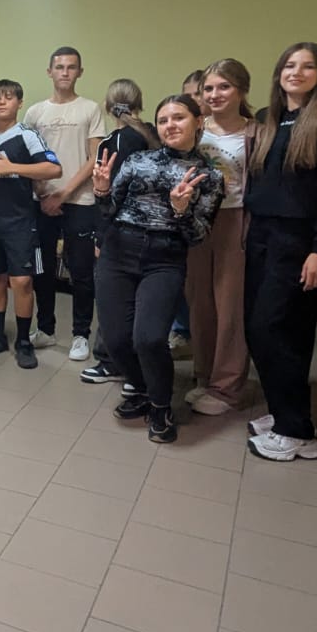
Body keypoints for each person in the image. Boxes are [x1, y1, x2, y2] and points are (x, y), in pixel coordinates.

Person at [92, 95, 223, 443]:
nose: (170, 126)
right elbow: (109, 210)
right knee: (117, 340)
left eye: (179, 117)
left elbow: (199, 235)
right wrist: (102, 191)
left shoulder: (208, 176)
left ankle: (161, 406)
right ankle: (141, 388)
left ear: (198, 121)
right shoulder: (138, 160)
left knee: (148, 338)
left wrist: (180, 209)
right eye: (163, 120)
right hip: (119, 251)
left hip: (164, 258)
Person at [244, 42, 317, 462]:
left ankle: (296, 431)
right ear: (278, 73)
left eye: (307, 67)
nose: (296, 72)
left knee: (277, 331)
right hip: (261, 236)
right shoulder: (267, 120)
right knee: (260, 328)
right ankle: (284, 411)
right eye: (289, 65)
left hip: (298, 242)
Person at [0, 79, 61, 369]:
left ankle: (23, 341)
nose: (2, 102)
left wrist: (13, 168)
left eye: (8, 98)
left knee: (22, 281)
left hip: (21, 220)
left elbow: (54, 168)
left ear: (19, 103)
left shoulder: (27, 135)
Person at [23, 48, 107, 361]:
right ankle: (45, 329)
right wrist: (44, 193)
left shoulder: (90, 109)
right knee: (42, 268)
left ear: (79, 72)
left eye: (71, 67)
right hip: (41, 201)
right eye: (59, 67)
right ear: (49, 71)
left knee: (81, 271)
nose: (65, 72)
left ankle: (80, 335)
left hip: (81, 201)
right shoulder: (34, 113)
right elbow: (29, 159)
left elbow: (94, 157)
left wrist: (64, 193)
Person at [185, 59, 256, 416]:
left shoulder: (256, 132)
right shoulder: (196, 129)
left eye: (223, 87)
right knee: (200, 302)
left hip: (235, 220)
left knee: (230, 305)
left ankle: (227, 386)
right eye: (208, 89)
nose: (214, 95)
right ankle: (204, 375)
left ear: (241, 90)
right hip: (198, 221)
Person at [79, 79, 157, 386]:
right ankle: (138, 365)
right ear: (139, 102)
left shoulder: (113, 141)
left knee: (112, 300)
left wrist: (101, 235)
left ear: (108, 106)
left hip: (119, 230)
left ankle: (111, 361)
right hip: (152, 229)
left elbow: (108, 193)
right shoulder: (153, 135)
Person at [166, 68, 209, 357]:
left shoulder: (225, 133)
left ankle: (207, 345)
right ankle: (183, 332)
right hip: (179, 217)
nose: (192, 99)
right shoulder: (176, 134)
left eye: (197, 93)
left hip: (214, 219)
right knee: (180, 280)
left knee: (206, 288)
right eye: (187, 94)